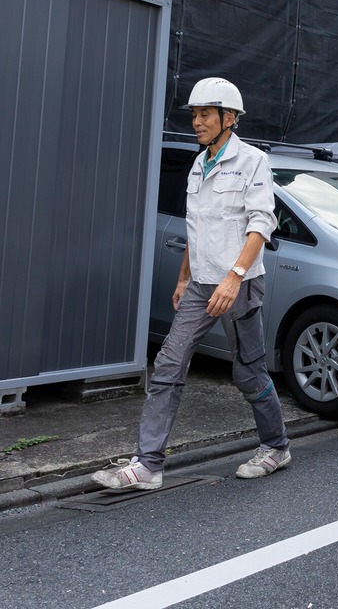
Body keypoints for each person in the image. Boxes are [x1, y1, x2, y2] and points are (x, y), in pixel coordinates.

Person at [92, 77, 290, 492]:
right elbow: (195, 226)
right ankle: (148, 465)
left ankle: (276, 446)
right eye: (195, 115)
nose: (197, 122)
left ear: (229, 118)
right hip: (201, 285)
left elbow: (261, 223)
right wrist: (184, 276)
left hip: (239, 285)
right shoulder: (199, 164)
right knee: (168, 364)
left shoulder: (252, 160)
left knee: (249, 373)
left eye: (205, 114)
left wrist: (234, 278)